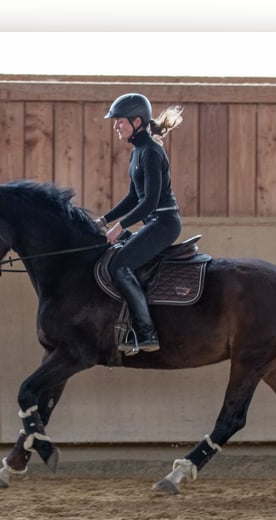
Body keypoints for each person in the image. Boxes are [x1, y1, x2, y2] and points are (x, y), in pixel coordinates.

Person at [94, 93, 184, 355]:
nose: (115, 126)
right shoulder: (138, 152)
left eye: (119, 121)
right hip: (153, 222)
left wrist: (119, 227)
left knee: (120, 265)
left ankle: (146, 333)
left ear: (137, 121)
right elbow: (134, 197)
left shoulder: (152, 152)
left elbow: (150, 202)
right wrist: (104, 219)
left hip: (164, 223)